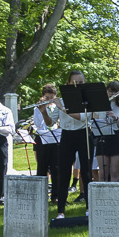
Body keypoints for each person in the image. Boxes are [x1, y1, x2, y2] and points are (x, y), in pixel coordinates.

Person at [41, 71, 91, 218]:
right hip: (67, 136)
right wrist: (44, 112)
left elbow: (83, 118)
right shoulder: (61, 100)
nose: (77, 86)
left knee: (86, 173)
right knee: (63, 173)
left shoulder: (87, 100)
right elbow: (51, 123)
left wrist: (63, 108)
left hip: (84, 134)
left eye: (80, 83)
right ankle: (61, 211)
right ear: (68, 84)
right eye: (74, 83)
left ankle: (89, 209)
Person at [97, 81, 119, 183]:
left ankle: (114, 193)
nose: (112, 94)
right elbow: (94, 122)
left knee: (114, 172)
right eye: (110, 91)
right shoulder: (99, 105)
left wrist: (116, 118)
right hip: (102, 139)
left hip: (117, 139)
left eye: (114, 91)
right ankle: (102, 193)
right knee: (103, 173)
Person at [32, 84, 60, 193]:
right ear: (43, 96)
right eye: (47, 97)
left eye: (52, 97)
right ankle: (41, 193)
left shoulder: (58, 107)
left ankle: (55, 195)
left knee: (56, 167)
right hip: (42, 137)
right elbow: (38, 124)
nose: (49, 100)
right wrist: (42, 110)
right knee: (42, 166)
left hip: (55, 137)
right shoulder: (37, 108)